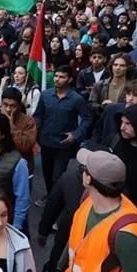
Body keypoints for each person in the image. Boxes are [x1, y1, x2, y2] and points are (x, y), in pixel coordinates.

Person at [34, 65, 91, 193]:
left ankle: (57, 201)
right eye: (56, 76)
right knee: (47, 175)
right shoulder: (45, 95)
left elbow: (87, 119)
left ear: (69, 79)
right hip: (46, 142)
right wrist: (36, 132)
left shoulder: (76, 99)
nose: (57, 79)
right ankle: (50, 197)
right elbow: (38, 116)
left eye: (61, 77)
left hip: (63, 145)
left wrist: (76, 135)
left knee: (58, 177)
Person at [92, 79, 137, 146]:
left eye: (136, 95)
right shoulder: (111, 108)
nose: (130, 98)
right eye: (128, 94)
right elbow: (97, 131)